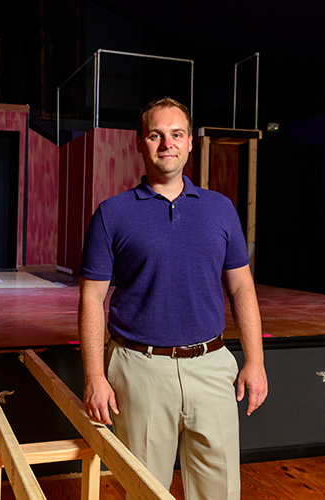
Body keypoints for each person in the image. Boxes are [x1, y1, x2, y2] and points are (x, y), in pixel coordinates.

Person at [78, 97, 268, 500]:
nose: (167, 143)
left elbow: (241, 288)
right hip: (140, 370)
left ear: (189, 143)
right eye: (156, 135)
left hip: (212, 367)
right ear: (140, 143)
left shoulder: (221, 209)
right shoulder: (112, 214)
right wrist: (95, 376)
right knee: (145, 491)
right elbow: (92, 299)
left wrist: (255, 360)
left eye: (176, 134)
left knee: (220, 492)